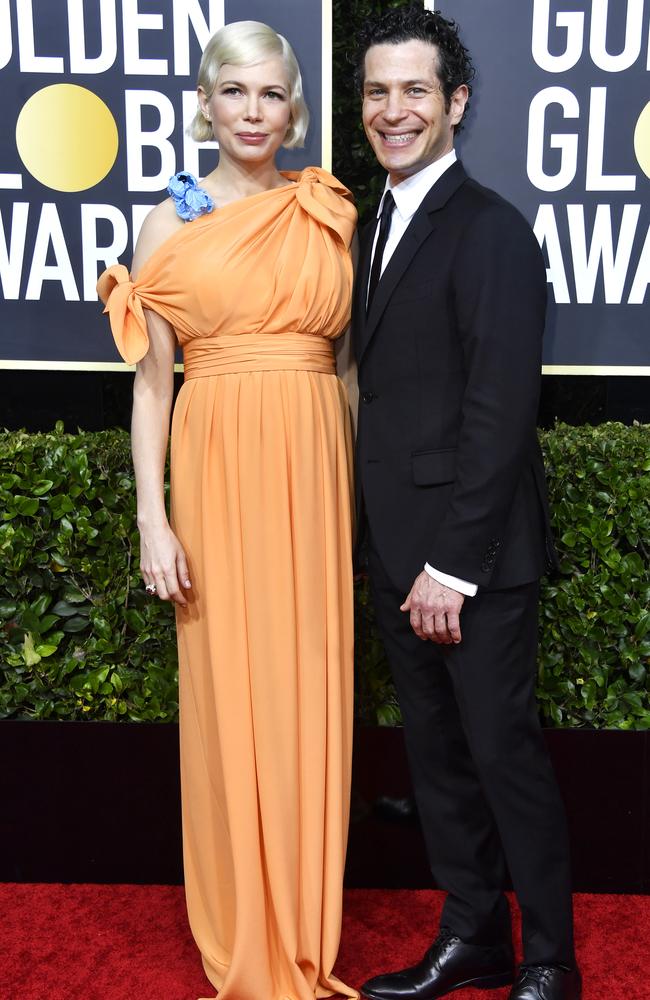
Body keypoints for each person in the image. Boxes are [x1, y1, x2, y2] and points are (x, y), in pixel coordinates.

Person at [98, 20, 359, 1000]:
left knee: (309, 687)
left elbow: (352, 369)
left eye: (271, 96)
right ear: (204, 105)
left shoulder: (326, 207)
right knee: (230, 691)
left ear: (294, 109)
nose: (254, 114)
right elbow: (150, 386)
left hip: (315, 468)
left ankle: (303, 925)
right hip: (216, 468)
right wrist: (151, 519)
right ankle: (248, 931)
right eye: (234, 94)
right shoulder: (165, 223)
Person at [351, 6, 580, 1000]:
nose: (391, 110)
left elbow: (498, 408)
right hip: (396, 549)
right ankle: (472, 933)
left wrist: (453, 561)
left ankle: (548, 960)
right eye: (375, 91)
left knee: (501, 758)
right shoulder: (373, 221)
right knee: (438, 764)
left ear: (456, 103)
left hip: (468, 560)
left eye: (413, 90)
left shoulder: (488, 229)